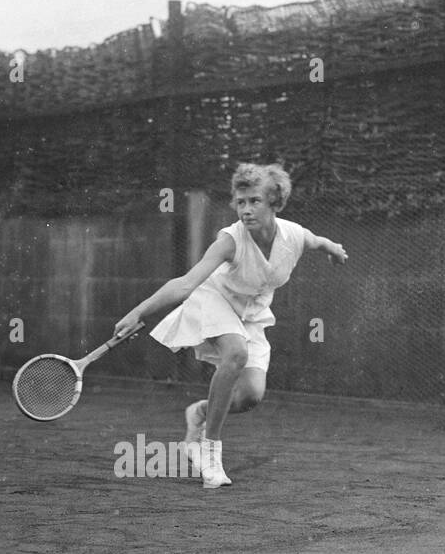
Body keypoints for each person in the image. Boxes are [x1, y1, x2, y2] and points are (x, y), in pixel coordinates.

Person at [114, 163, 347, 488]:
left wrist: (333, 249)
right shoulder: (229, 240)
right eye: (240, 202)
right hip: (214, 300)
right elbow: (185, 284)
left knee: (251, 395)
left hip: (251, 314)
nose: (246, 210)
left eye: (254, 201)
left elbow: (316, 241)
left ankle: (199, 413)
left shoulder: (293, 235)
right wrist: (139, 311)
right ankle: (209, 451)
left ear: (275, 203)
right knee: (235, 353)